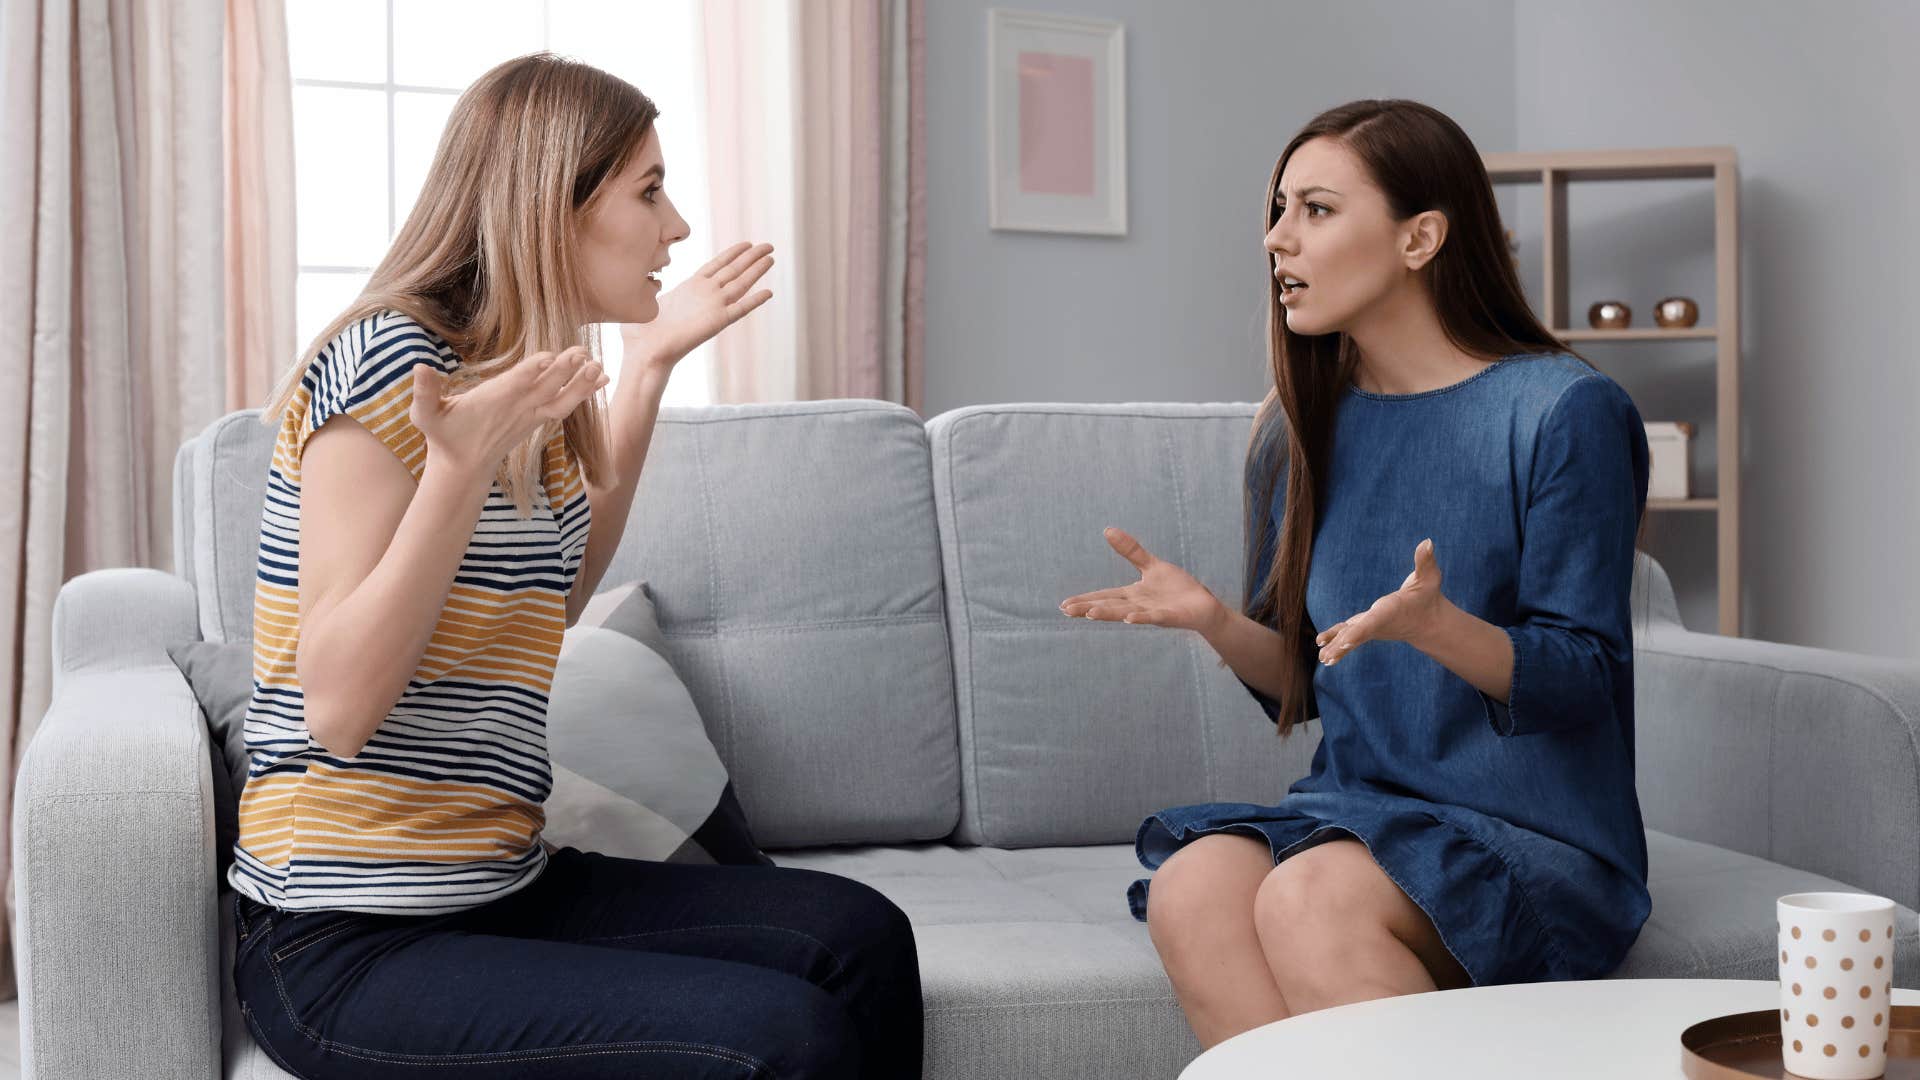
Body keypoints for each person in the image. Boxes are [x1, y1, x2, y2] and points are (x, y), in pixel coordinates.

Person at [231, 53, 922, 1078]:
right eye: (649, 191)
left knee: (860, 935)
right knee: (783, 1038)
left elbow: (546, 606)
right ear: (554, 206)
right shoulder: (391, 360)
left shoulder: (528, 380)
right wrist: (455, 475)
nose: (676, 228)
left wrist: (646, 374)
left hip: (503, 886)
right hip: (346, 937)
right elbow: (336, 706)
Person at [1060, 98, 1652, 1048]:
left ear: (1421, 237)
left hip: (1535, 834)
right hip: (1360, 815)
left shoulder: (1562, 411)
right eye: (1278, 208)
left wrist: (1438, 628)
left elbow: (1585, 676)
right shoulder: (1293, 434)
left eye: (1317, 210)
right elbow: (1307, 685)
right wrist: (1214, 621)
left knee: (1310, 899)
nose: (1276, 237)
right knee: (1194, 886)